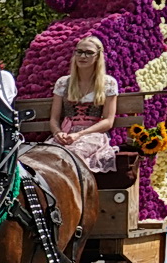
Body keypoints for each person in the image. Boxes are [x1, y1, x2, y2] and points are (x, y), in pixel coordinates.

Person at [48, 37, 119, 173]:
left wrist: (80, 134)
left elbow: (108, 121)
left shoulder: (108, 83)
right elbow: (54, 119)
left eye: (88, 52)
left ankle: (77, 191)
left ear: (98, 56)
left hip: (93, 133)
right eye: (79, 52)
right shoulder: (63, 83)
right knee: (48, 156)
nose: (82, 56)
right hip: (67, 133)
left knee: (74, 153)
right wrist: (58, 133)